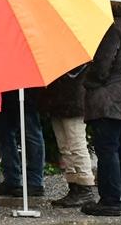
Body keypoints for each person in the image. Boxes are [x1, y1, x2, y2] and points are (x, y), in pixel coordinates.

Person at [81, 0, 121, 216]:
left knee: (108, 148)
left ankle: (110, 200)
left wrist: (88, 81)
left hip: (109, 100)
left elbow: (102, 67)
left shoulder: (113, 30)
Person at [40, 69, 98, 208]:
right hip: (60, 102)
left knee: (76, 145)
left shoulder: (77, 59)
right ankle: (75, 187)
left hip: (72, 101)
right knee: (65, 147)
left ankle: (85, 188)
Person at [0, 88, 45, 198]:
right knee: (4, 133)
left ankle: (33, 181)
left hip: (24, 90)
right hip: (7, 90)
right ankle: (13, 179)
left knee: (30, 133)